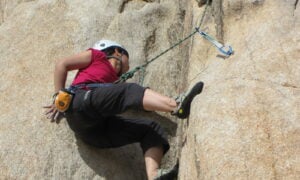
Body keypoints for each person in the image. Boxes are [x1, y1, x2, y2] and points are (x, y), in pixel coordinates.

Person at [44, 40, 204, 180]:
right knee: (130, 90)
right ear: (117, 52)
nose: (129, 65)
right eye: (127, 58)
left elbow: (122, 99)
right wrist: (58, 97)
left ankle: (154, 175)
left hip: (93, 133)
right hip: (80, 99)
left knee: (151, 129)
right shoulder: (97, 56)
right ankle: (176, 105)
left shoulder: (113, 83)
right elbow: (62, 64)